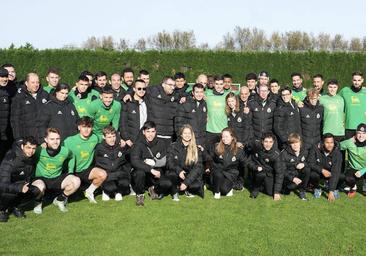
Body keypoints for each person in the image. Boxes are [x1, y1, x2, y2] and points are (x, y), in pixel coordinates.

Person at [33, 128, 80, 213]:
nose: (55, 141)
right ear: (46, 140)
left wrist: (70, 171)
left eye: (57, 139)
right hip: (41, 178)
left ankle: (60, 200)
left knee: (76, 181)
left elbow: (72, 156)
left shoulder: (65, 151)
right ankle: (38, 202)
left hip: (57, 178)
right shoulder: (38, 150)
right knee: (39, 187)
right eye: (52, 139)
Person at [63, 117, 107, 203]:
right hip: (71, 171)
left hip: (86, 170)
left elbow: (108, 136)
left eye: (89, 127)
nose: (86, 130)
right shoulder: (69, 141)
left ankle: (89, 192)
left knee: (102, 174)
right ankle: (64, 196)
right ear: (79, 127)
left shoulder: (95, 138)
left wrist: (120, 141)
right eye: (84, 127)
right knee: (72, 192)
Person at [0, 137, 42, 222]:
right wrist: (19, 187)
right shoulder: (10, 159)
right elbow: (2, 184)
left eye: (34, 148)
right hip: (6, 187)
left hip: (20, 185)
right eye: (28, 148)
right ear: (22, 146)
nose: (31, 151)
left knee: (36, 191)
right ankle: (2, 209)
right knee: (8, 193)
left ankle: (16, 207)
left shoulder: (31, 157)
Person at [130, 121, 172, 206]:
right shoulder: (138, 144)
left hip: (155, 171)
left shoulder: (161, 143)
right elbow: (135, 161)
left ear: (156, 132)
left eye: (153, 131)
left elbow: (165, 161)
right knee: (139, 173)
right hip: (141, 172)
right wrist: (150, 169)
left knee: (167, 184)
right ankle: (140, 194)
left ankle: (152, 188)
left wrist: (154, 164)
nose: (150, 134)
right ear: (143, 132)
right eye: (148, 131)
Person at [167, 125, 204, 200]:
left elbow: (198, 168)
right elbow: (169, 162)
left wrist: (186, 182)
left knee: (196, 185)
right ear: (181, 134)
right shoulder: (173, 146)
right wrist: (179, 171)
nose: (187, 135)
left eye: (189, 133)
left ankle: (187, 189)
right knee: (168, 179)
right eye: (185, 133)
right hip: (177, 174)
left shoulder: (197, 149)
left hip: (189, 175)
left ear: (192, 134)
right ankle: (175, 192)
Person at [208, 128, 247, 199]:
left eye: (226, 136)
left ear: (232, 137)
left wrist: (240, 180)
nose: (224, 139)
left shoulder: (238, 150)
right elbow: (209, 158)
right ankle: (216, 193)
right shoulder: (216, 147)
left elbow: (245, 164)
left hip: (230, 175)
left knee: (224, 190)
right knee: (217, 173)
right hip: (217, 173)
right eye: (223, 136)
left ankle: (233, 185)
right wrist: (208, 167)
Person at [10, 72, 49, 143]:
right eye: (33, 82)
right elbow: (15, 120)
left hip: (43, 138)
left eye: (37, 82)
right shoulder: (19, 97)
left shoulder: (45, 95)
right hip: (27, 139)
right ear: (26, 83)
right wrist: (18, 139)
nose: (36, 85)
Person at [95, 126, 131, 201]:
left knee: (125, 182)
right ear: (104, 137)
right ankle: (106, 191)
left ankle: (118, 192)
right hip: (107, 175)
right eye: (109, 137)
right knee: (110, 187)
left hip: (118, 173)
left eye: (114, 136)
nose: (112, 139)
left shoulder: (120, 145)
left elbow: (129, 155)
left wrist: (125, 147)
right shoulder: (99, 148)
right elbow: (98, 164)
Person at [247, 133, 283, 200]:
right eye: (266, 141)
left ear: (273, 142)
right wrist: (255, 167)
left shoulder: (276, 154)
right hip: (257, 172)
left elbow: (279, 173)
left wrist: (276, 192)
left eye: (270, 142)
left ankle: (261, 184)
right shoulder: (256, 146)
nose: (268, 144)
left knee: (270, 193)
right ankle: (255, 188)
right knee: (260, 174)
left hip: (269, 174)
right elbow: (249, 161)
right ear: (262, 141)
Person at [145, 76, 178, 148]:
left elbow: (186, 93)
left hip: (169, 137)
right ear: (163, 84)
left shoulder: (176, 96)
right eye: (170, 85)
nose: (173, 87)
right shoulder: (152, 91)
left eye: (174, 85)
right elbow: (138, 88)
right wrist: (129, 94)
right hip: (154, 135)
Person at [308, 134, 343, 201]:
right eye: (327, 142)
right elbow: (310, 163)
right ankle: (317, 188)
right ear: (323, 143)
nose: (330, 145)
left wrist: (331, 191)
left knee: (341, 176)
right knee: (313, 175)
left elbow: (336, 171)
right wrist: (322, 170)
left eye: (331, 142)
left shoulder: (337, 152)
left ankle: (334, 188)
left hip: (331, 172)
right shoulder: (315, 148)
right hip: (319, 172)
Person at [280, 133, 311, 200]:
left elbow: (310, 162)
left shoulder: (305, 151)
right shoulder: (284, 153)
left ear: (300, 142)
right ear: (289, 144)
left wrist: (304, 164)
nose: (295, 145)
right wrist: (292, 178)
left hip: (299, 175)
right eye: (292, 143)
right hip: (288, 177)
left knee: (307, 169)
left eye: (297, 142)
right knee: (290, 188)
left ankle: (302, 191)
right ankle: (286, 188)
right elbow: (281, 170)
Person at [340, 123, 366, 198]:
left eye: (364, 133)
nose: (361, 136)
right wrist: (350, 140)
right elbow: (338, 146)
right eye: (359, 133)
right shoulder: (350, 142)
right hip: (354, 168)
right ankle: (354, 187)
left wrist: (362, 171)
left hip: (364, 169)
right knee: (348, 178)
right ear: (356, 134)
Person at [120, 79, 148, 147]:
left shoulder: (147, 101)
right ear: (134, 89)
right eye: (139, 88)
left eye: (144, 88)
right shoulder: (128, 102)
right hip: (131, 141)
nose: (142, 90)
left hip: (144, 140)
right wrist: (126, 139)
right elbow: (123, 122)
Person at [339, 71, 366, 139]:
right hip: (349, 127)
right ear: (352, 80)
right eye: (354, 80)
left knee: (362, 149)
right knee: (349, 147)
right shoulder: (344, 91)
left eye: (359, 80)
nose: (356, 82)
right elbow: (335, 99)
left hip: (363, 128)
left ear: (362, 80)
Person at [205, 75, 230, 148]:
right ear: (213, 84)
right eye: (217, 84)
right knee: (209, 155)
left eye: (221, 84)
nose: (219, 86)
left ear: (224, 84)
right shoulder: (207, 94)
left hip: (223, 131)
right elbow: (194, 92)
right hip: (210, 130)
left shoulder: (228, 95)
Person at [0, 68, 16, 162]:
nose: (4, 79)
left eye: (6, 76)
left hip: (6, 133)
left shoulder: (9, 90)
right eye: (2, 77)